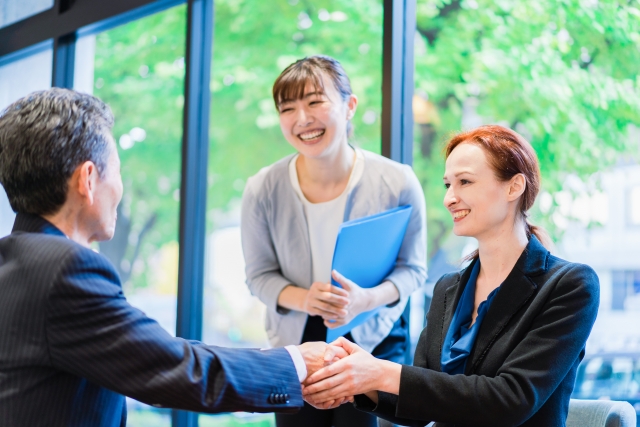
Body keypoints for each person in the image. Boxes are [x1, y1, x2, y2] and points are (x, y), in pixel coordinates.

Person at [0, 88, 347, 427]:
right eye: (117, 169)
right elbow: (176, 367)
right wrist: (296, 362)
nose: (119, 186)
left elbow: (153, 351)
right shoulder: (64, 271)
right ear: (88, 179)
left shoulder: (15, 261)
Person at [302, 125, 600, 427]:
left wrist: (381, 372)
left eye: (465, 182)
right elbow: (420, 402)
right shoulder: (448, 289)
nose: (449, 198)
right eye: (448, 185)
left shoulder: (570, 286)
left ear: (514, 187)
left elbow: (511, 399)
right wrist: (357, 380)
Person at [240, 55, 427, 427]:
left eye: (315, 102)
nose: (302, 119)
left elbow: (414, 270)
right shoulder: (262, 188)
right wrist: (305, 298)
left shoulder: (398, 181)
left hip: (374, 334)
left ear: (350, 105)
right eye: (288, 108)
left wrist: (365, 300)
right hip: (298, 340)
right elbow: (259, 277)